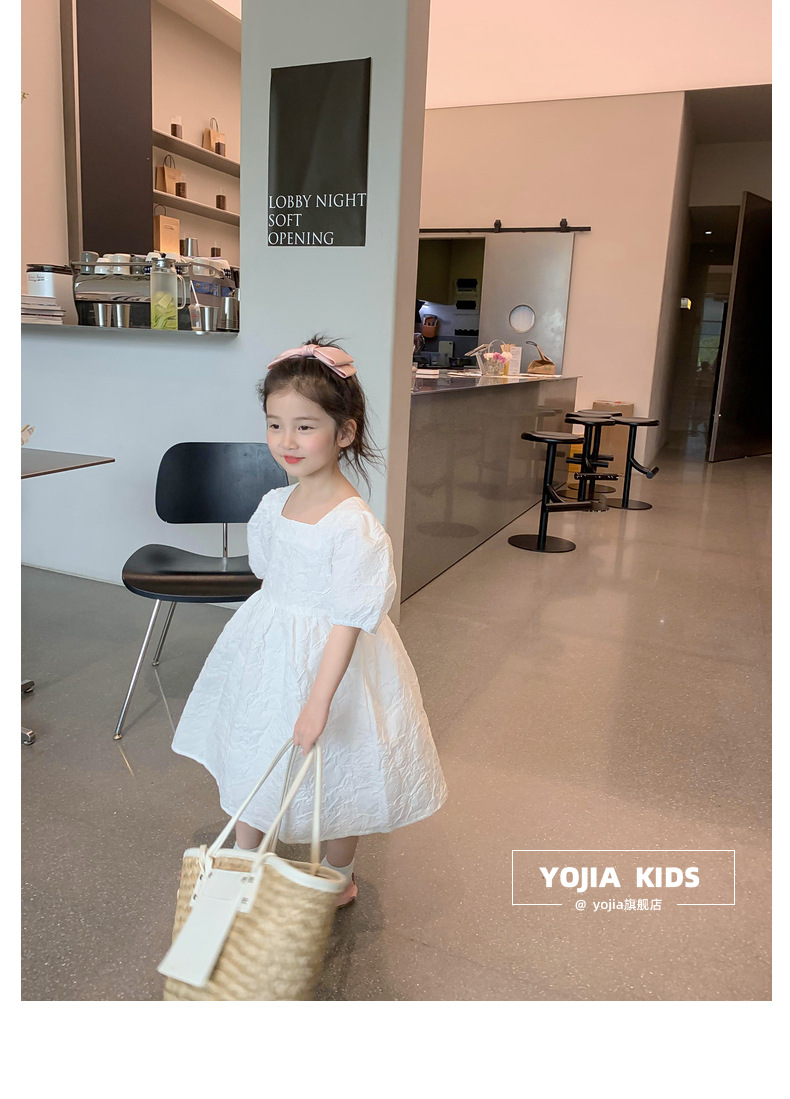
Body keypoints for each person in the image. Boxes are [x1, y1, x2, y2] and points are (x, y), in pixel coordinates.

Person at [171, 337, 448, 908]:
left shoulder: (353, 525)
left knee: (339, 761)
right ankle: (244, 859)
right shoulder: (274, 505)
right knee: (256, 747)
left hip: (333, 662)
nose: (286, 441)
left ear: (344, 432)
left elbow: (348, 618)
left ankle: (339, 875)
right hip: (270, 649)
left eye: (305, 427)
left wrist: (319, 701)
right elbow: (269, 574)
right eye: (275, 425)